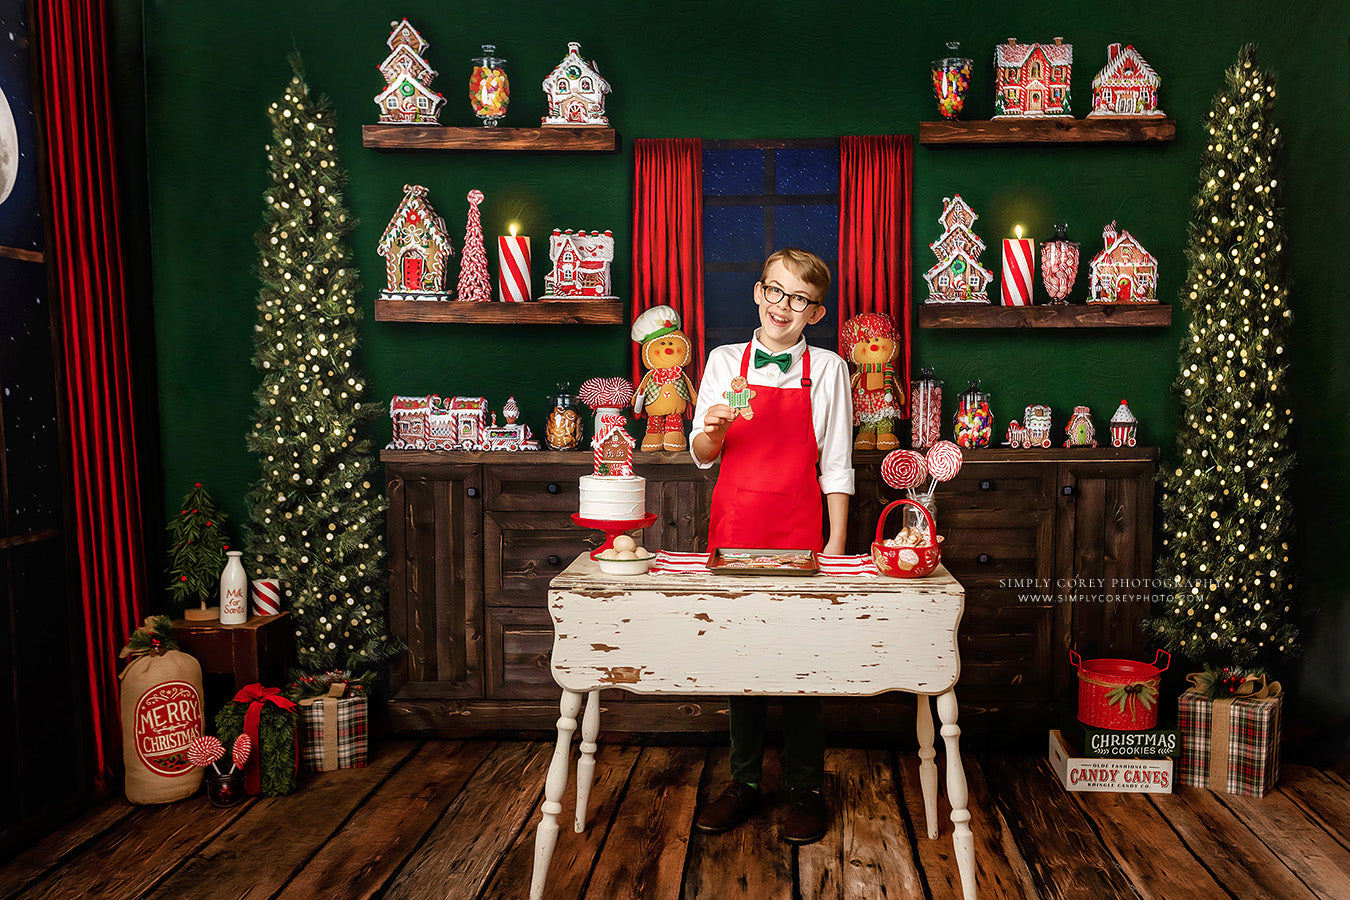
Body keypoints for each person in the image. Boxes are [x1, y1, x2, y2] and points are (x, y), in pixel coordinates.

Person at [689, 247, 854, 845]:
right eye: (777, 291)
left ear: (817, 311)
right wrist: (713, 428)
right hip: (734, 528)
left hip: (799, 529)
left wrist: (835, 541)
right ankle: (745, 784)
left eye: (801, 298)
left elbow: (836, 462)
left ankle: (807, 788)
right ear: (758, 293)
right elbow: (703, 458)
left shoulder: (830, 370)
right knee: (744, 658)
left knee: (804, 659)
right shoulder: (724, 362)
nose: (786, 305)